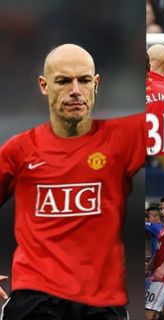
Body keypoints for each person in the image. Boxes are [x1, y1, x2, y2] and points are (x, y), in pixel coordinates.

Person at [0, 43, 146, 319]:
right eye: (64, 81)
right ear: (44, 85)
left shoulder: (122, 140)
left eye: (84, 80)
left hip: (101, 301)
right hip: (35, 298)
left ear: (97, 83)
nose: (76, 90)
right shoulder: (19, 150)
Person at [145, 206, 164, 319]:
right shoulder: (163, 228)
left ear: (157, 217)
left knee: (152, 311)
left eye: (148, 217)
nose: (146, 219)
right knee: (161, 308)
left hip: (161, 274)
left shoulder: (156, 226)